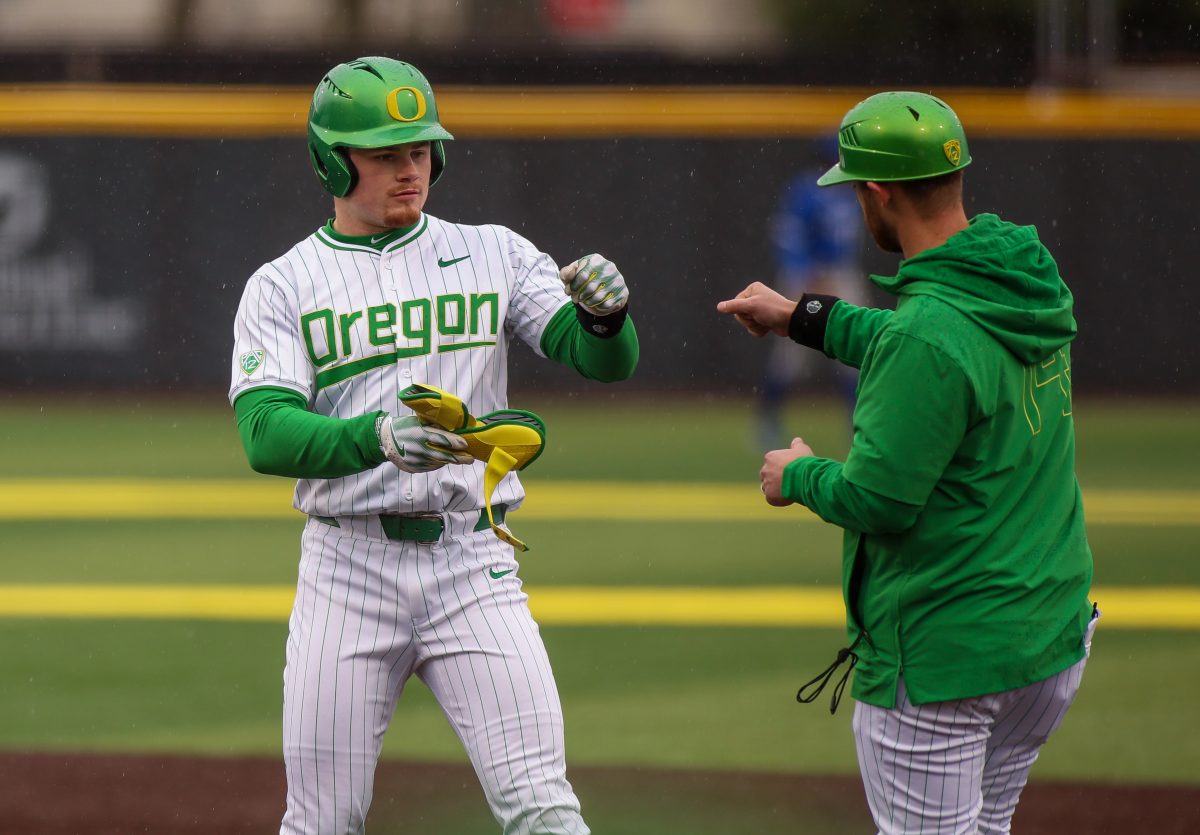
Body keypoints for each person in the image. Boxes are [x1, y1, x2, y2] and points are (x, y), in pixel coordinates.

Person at [228, 56, 637, 835]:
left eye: (419, 150)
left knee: (544, 808)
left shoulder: (496, 252)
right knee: (322, 821)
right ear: (330, 160)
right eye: (384, 154)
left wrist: (606, 320)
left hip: (473, 563)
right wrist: (376, 436)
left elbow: (600, 362)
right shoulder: (284, 284)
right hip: (346, 568)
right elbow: (264, 432)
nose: (409, 169)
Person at [717, 91, 1097, 834]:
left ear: (878, 192)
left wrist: (796, 474)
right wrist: (801, 315)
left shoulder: (926, 334)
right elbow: (924, 345)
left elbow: (880, 496)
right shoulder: (1017, 276)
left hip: (950, 656)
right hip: (1048, 636)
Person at [757, 147, 865, 448]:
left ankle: (858, 422)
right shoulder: (808, 189)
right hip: (809, 275)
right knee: (790, 358)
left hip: (840, 272)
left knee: (857, 352)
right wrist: (805, 269)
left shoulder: (850, 190)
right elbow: (787, 234)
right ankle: (767, 420)